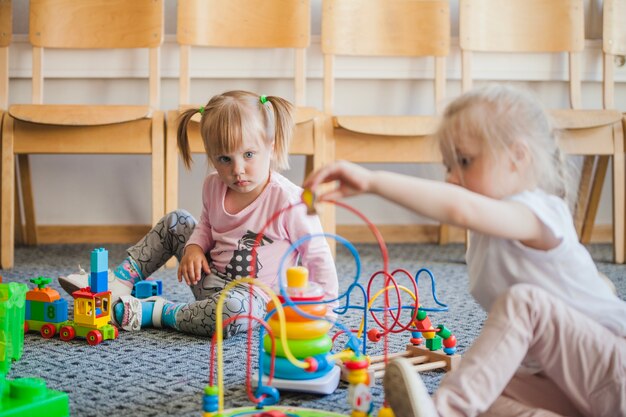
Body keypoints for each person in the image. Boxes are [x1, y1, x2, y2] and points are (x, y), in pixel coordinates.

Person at [303, 84, 626, 417]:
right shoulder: (488, 233)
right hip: (563, 382)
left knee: (522, 305)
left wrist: (374, 182)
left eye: (465, 161)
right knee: (477, 391)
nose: (452, 178)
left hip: (614, 372)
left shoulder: (539, 211)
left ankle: (444, 414)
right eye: (448, 166)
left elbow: (462, 209)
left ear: (518, 157)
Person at [59, 90, 338, 337]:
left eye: (249, 155)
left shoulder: (290, 201)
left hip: (253, 300)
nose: (237, 170)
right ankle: (120, 282)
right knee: (176, 220)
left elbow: (317, 254)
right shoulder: (214, 185)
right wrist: (194, 247)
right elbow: (206, 224)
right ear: (211, 155)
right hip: (206, 277)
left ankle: (157, 312)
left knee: (232, 311)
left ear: (271, 146)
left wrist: (326, 310)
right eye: (224, 159)